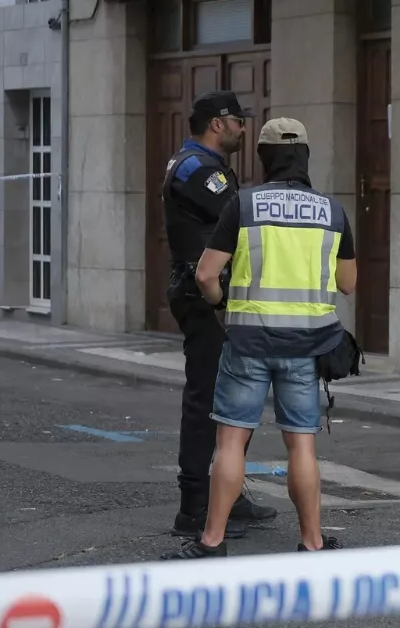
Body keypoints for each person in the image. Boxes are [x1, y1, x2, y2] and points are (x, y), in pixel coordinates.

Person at [162, 118, 358, 559]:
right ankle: (312, 541)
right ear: (306, 156)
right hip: (306, 346)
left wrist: (220, 306)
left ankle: (211, 541)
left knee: (230, 441)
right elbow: (348, 283)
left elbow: (207, 274)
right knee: (301, 444)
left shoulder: (244, 205)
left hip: (248, 340)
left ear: (264, 158)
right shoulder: (332, 211)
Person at [162, 89, 275, 539]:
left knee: (230, 399)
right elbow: (238, 217)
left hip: (215, 294)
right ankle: (194, 507)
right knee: (207, 398)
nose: (243, 128)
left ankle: (226, 493)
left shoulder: (201, 165)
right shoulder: (196, 169)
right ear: (217, 123)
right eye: (238, 121)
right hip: (202, 293)